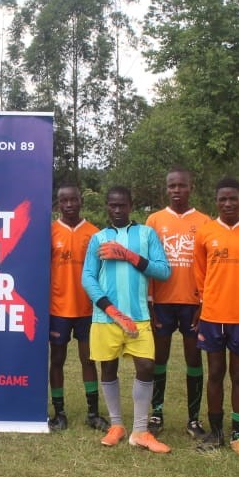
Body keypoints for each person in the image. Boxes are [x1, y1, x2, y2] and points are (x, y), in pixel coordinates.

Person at [81, 186, 172, 453]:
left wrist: (128, 255)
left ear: (131, 205)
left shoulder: (146, 234)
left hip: (138, 317)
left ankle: (140, 431)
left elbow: (163, 271)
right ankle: (117, 425)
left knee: (146, 366)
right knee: (108, 368)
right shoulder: (98, 238)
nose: (117, 210)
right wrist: (112, 310)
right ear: (107, 207)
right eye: (113, 205)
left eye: (122, 205)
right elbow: (88, 277)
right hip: (107, 318)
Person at [193, 177, 239, 458]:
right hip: (213, 315)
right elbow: (200, 273)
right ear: (216, 201)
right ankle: (216, 431)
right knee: (215, 373)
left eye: (233, 198)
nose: (228, 203)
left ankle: (237, 434)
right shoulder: (206, 232)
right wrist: (205, 301)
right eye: (222, 199)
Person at [145, 167, 210, 440]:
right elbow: (147, 264)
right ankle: (156, 413)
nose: (176, 190)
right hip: (162, 302)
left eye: (181, 185)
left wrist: (204, 302)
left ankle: (193, 419)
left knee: (193, 358)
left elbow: (208, 266)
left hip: (192, 303)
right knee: (159, 358)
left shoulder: (205, 221)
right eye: (172, 185)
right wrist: (149, 300)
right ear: (166, 188)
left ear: (190, 187)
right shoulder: (154, 220)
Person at [46, 184, 108, 432]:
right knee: (57, 360)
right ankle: (59, 412)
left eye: (73, 199)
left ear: (81, 201)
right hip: (57, 308)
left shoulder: (94, 234)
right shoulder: (50, 232)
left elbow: (103, 273)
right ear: (58, 203)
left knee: (88, 360)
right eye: (64, 200)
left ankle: (93, 413)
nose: (69, 204)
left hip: (87, 309)